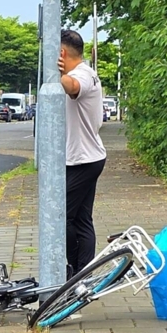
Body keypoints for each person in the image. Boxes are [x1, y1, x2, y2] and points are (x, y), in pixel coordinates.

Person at [58, 29, 107, 275]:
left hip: (83, 160)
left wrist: (58, 73)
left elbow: (73, 86)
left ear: (62, 52)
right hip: (88, 157)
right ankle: (82, 275)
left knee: (60, 216)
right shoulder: (88, 73)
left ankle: (73, 271)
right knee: (81, 219)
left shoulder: (83, 75)